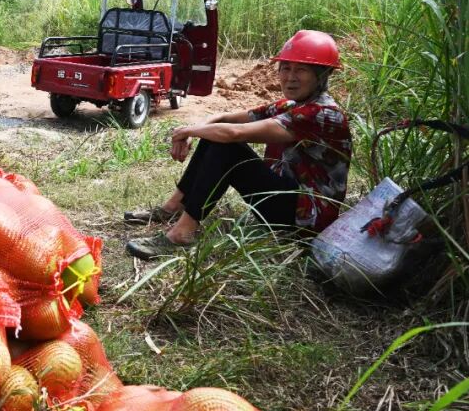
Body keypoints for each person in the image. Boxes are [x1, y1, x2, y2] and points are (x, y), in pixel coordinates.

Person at [124, 29, 352, 260]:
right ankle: (173, 207)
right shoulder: (293, 105)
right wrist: (193, 131)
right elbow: (225, 118)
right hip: (286, 200)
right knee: (215, 136)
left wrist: (187, 130)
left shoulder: (322, 114)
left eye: (301, 70)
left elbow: (233, 133)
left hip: (304, 219)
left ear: (321, 75)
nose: (290, 77)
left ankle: (182, 232)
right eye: (285, 68)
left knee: (226, 145)